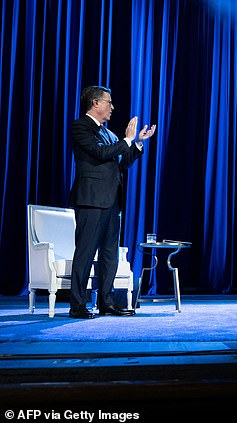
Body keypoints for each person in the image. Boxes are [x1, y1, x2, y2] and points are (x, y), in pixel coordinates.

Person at [68, 85, 156, 319]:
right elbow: (100, 153)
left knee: (110, 255)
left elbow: (121, 162)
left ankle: (107, 303)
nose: (112, 107)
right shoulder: (81, 127)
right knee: (85, 253)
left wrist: (137, 143)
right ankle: (77, 305)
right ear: (95, 103)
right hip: (91, 200)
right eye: (109, 102)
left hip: (112, 202)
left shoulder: (109, 133)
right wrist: (126, 140)